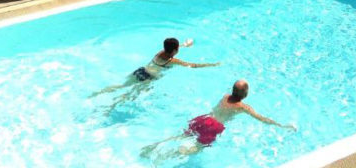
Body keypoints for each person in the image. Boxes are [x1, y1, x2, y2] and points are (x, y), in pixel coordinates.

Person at [141, 79, 296, 158]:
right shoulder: (243, 107)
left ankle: (154, 146)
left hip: (204, 118)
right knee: (198, 148)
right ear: (245, 94)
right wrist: (281, 125)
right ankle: (166, 156)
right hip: (214, 126)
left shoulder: (225, 96)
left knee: (183, 135)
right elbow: (261, 118)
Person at [90, 37, 219, 99]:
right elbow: (192, 65)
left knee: (122, 86)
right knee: (130, 95)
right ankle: (111, 108)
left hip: (140, 70)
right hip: (148, 78)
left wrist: (186, 45)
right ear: (175, 50)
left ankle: (99, 93)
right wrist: (212, 65)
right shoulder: (172, 61)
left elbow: (173, 48)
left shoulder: (161, 52)